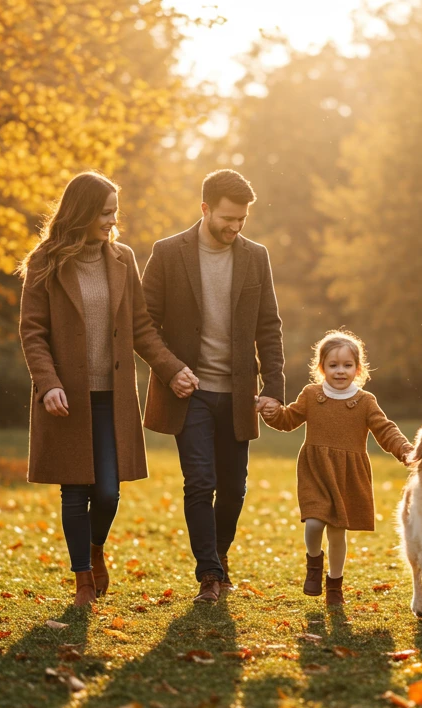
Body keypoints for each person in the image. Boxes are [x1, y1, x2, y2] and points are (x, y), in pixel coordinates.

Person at [17, 171, 200, 608]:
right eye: (104, 212)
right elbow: (33, 332)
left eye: (114, 211)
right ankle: (83, 578)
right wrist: (48, 385)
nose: (112, 220)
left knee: (107, 492)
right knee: (74, 490)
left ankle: (95, 547)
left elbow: (141, 327)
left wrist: (172, 369)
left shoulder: (122, 259)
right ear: (80, 212)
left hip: (112, 398)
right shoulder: (45, 261)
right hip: (66, 399)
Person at [141, 169, 285, 603]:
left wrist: (274, 386)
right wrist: (170, 369)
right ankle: (209, 574)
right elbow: (142, 324)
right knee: (200, 481)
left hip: (239, 394)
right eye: (227, 218)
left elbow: (269, 326)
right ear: (205, 208)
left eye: (242, 219)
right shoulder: (168, 253)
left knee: (234, 488)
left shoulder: (256, 256)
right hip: (191, 393)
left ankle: (219, 556)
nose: (235, 227)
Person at [260, 330, 412, 606]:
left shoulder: (365, 401)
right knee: (313, 523)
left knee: (337, 533)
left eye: (347, 365)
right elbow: (287, 420)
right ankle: (314, 564)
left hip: (347, 475)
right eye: (333, 365)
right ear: (321, 368)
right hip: (316, 471)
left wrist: (405, 450)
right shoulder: (311, 394)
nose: (340, 371)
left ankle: (334, 584)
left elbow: (385, 430)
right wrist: (272, 413)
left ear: (358, 369)